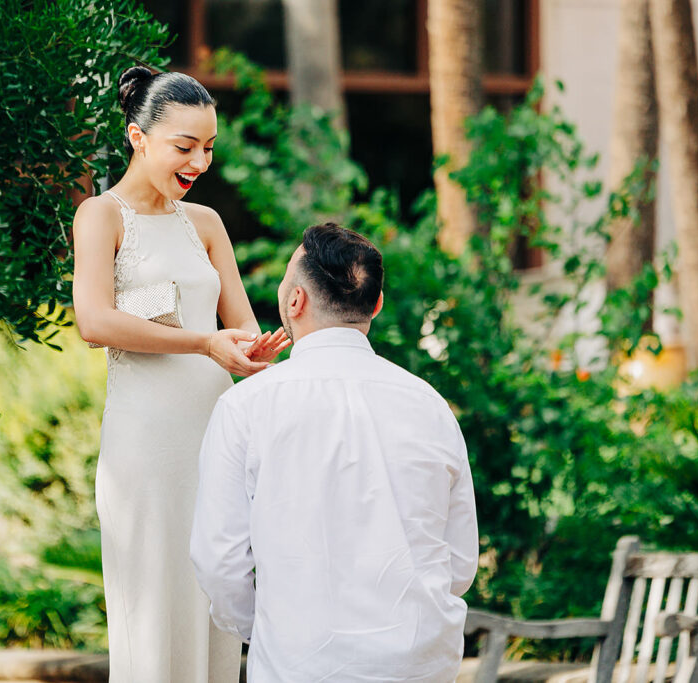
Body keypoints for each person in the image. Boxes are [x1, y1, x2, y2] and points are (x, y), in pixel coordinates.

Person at [72, 66, 289, 683]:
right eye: (185, 146)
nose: (200, 161)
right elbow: (93, 320)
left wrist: (259, 353)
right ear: (138, 138)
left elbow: (241, 331)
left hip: (216, 439)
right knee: (153, 603)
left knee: (213, 590)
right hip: (145, 443)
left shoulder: (207, 224)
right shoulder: (101, 215)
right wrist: (203, 343)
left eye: (209, 147)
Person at [190, 223, 479, 682]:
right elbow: (459, 562)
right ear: (376, 305)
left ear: (295, 301)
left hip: (299, 664)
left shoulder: (246, 405)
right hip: (419, 664)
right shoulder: (429, 405)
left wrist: (271, 631)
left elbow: (220, 561)